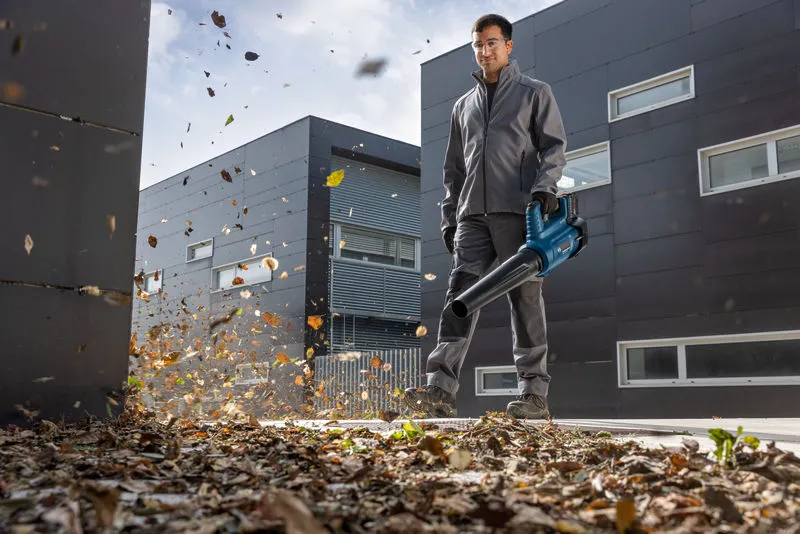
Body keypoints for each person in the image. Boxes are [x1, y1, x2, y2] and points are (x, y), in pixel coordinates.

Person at [405, 14, 567, 419]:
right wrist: (449, 217)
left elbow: (553, 147)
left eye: (492, 43)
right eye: (478, 44)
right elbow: (453, 170)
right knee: (459, 299)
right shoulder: (464, 106)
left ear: (508, 46)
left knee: (525, 300)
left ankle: (534, 395)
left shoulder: (535, 93)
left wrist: (545, 189)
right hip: (472, 218)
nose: (484, 51)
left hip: (519, 213)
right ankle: (439, 389)